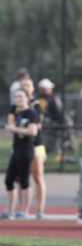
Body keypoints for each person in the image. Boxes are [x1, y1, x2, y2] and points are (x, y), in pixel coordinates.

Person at [3, 89, 38, 219]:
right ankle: (10, 210)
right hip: (16, 149)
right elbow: (12, 126)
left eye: (21, 96)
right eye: (16, 96)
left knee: (24, 181)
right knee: (8, 180)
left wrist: (15, 129)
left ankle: (25, 211)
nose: (18, 99)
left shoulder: (31, 113)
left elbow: (33, 131)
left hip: (26, 150)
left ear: (27, 98)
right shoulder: (17, 113)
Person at [20, 78, 47, 219]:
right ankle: (22, 209)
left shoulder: (36, 105)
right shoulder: (18, 105)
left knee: (38, 176)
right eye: (23, 85)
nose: (25, 87)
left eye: (28, 85)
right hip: (22, 145)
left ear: (32, 88)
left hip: (36, 144)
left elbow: (38, 125)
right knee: (21, 177)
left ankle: (40, 210)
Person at [38, 78, 63, 156]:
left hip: (54, 123)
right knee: (43, 141)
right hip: (46, 123)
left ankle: (56, 152)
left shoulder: (53, 98)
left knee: (55, 140)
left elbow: (59, 112)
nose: (50, 89)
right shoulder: (40, 98)